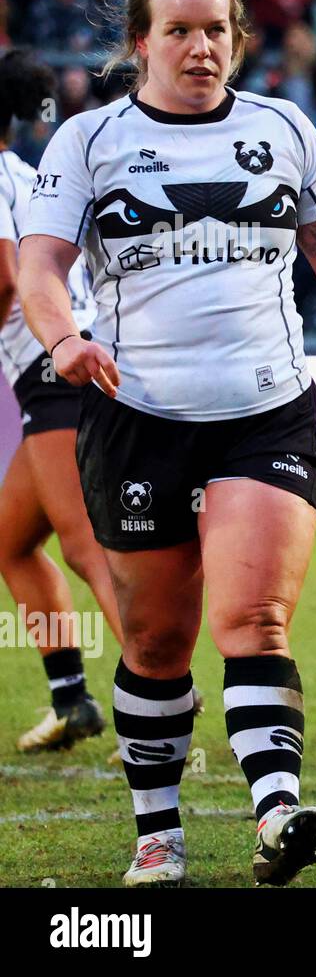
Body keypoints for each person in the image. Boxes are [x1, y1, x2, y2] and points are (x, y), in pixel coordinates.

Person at [18, 0, 316, 888]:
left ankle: (277, 808)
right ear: (141, 41)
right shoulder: (88, 141)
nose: (200, 48)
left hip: (266, 412)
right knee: (158, 639)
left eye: (216, 30)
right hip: (137, 413)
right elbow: (40, 264)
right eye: (179, 31)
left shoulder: (286, 130)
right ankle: (157, 836)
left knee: (256, 617)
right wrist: (64, 340)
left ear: (238, 39)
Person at [0, 50, 123, 753]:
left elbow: (3, 275)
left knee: (84, 544)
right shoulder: (26, 171)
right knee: (12, 542)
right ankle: (72, 699)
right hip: (64, 361)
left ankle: (163, 687)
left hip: (52, 369)